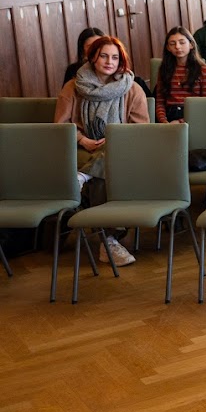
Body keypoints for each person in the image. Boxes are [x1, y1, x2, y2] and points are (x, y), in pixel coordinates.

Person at [54, 35, 150, 267]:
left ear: (121, 61)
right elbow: (60, 127)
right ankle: (109, 242)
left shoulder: (132, 88)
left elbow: (142, 130)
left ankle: (84, 181)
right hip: (82, 149)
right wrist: (83, 139)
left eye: (115, 57)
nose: (109, 61)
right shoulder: (73, 86)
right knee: (104, 172)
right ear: (93, 57)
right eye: (104, 55)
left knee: (104, 171)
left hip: (120, 150)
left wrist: (113, 139)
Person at [154, 27, 206, 123]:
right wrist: (164, 122)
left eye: (182, 42)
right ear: (168, 48)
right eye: (172, 44)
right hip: (168, 115)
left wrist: (181, 121)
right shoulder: (164, 69)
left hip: (193, 116)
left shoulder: (203, 70)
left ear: (191, 45)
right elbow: (160, 102)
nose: (177, 47)